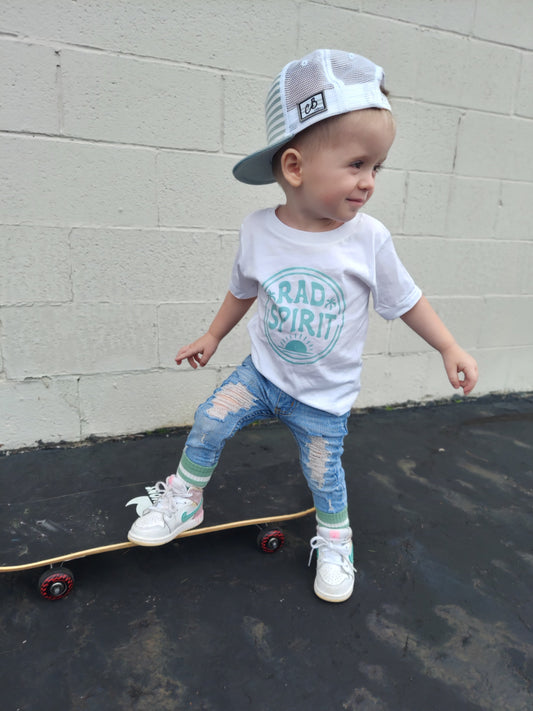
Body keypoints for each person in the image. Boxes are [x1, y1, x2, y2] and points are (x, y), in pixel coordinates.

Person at [127, 49, 478, 603]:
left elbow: (406, 300)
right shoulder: (258, 230)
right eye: (357, 164)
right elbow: (244, 289)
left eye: (377, 168)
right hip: (261, 374)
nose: (369, 182)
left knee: (323, 473)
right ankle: (185, 500)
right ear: (295, 167)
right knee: (210, 419)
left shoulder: (368, 239)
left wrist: (448, 346)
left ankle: (336, 541)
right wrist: (213, 335)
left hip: (322, 398)